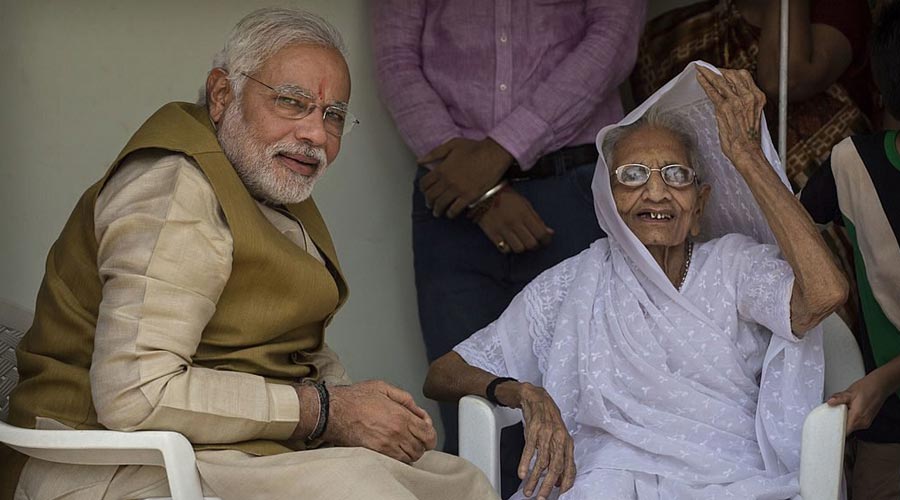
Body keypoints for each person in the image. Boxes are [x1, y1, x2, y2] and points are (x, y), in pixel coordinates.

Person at [0, 8, 497, 500]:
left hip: (223, 446)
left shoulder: (264, 181)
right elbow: (135, 394)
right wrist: (327, 410)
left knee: (457, 482)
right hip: (108, 460)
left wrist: (367, 410)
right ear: (222, 95)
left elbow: (282, 345)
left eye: (334, 115)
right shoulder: (175, 190)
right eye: (291, 102)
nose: (316, 135)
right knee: (364, 491)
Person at [425, 62, 848, 499]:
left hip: (727, 481)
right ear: (607, 202)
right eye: (632, 176)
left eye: (676, 175)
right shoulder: (576, 282)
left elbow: (824, 294)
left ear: (699, 206)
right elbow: (444, 373)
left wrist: (747, 156)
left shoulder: (733, 265)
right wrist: (521, 392)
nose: (656, 192)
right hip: (603, 481)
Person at [371, 2, 646, 496]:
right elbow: (396, 59)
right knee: (469, 407)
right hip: (449, 197)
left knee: (590, 399)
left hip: (571, 188)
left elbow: (612, 38)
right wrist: (478, 190)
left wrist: (497, 155)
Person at [631, 0, 877, 336]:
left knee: (830, 326)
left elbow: (785, 77)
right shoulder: (668, 36)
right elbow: (651, 140)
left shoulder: (836, 9)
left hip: (821, 204)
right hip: (722, 216)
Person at [803, 3, 900, 498]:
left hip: (880, 402)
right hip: (888, 433)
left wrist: (884, 379)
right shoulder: (853, 165)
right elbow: (788, 231)